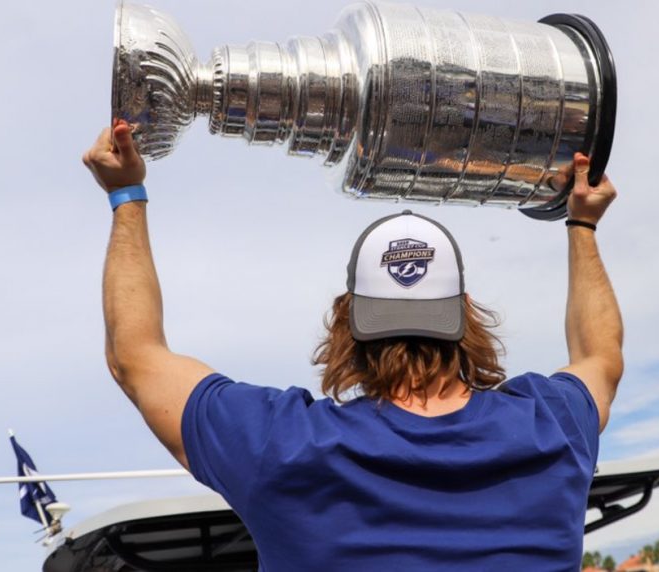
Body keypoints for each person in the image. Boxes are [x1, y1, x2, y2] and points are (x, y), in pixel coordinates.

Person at [81, 120, 623, 571]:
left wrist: (126, 194)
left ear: (348, 325)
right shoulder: (552, 425)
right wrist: (583, 223)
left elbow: (136, 356)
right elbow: (600, 356)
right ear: (466, 318)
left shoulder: (284, 445)